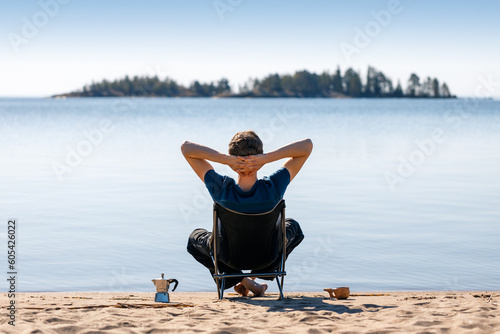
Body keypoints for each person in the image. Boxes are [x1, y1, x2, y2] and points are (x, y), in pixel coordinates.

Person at [183, 131, 312, 297]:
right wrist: (266, 158)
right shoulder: (273, 187)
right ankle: (251, 280)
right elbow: (307, 146)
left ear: (232, 158)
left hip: (228, 257)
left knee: (196, 237)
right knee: (293, 226)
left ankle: (244, 280)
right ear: (259, 156)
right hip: (267, 257)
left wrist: (226, 160)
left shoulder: (221, 188)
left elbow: (186, 148)